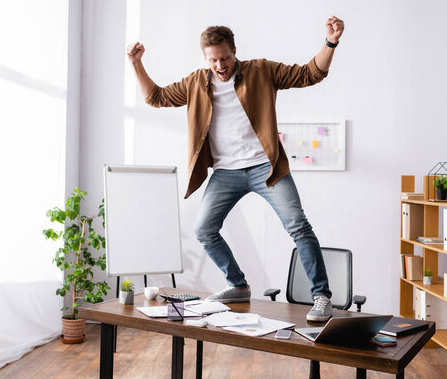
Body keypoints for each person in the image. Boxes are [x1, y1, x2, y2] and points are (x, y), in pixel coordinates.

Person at [127, 16, 344, 321]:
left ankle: (321, 296)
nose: (220, 65)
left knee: (298, 226)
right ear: (205, 58)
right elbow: (156, 97)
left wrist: (330, 42)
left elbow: (311, 73)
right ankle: (238, 285)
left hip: (265, 169)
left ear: (234, 51)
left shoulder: (261, 70)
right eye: (213, 60)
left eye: (225, 58)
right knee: (204, 230)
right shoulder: (194, 83)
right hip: (226, 173)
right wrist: (136, 63)